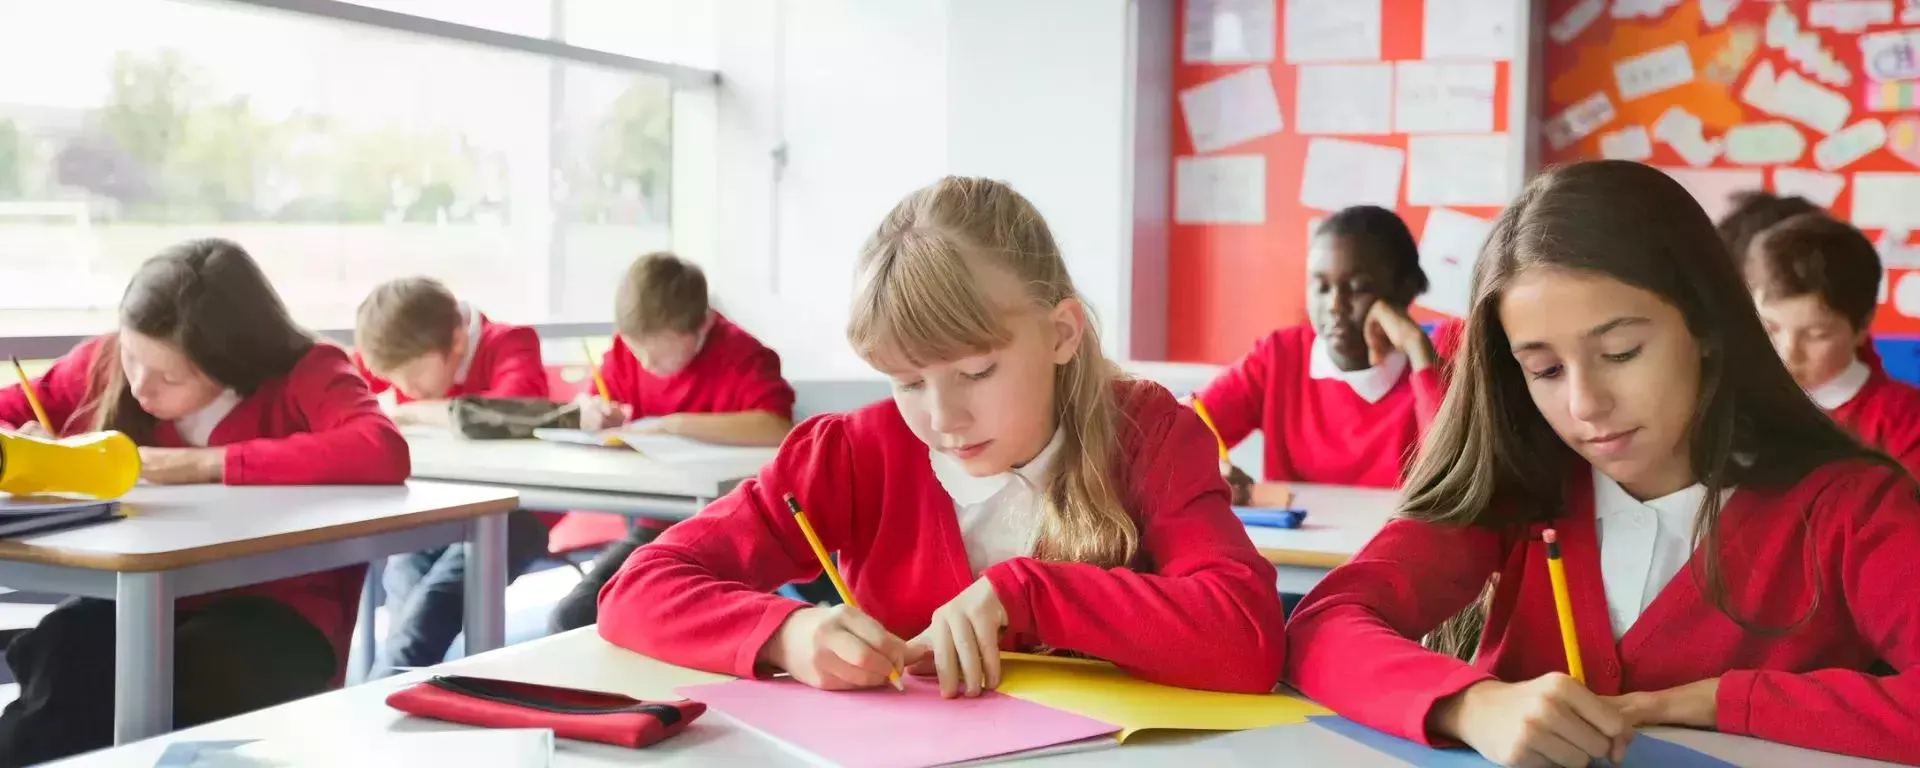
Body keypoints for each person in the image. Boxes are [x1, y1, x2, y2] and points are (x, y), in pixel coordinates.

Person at [1284, 160, 1920, 767]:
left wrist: (1716, 701)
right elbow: (1323, 627)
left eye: (1621, 352)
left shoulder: (1852, 507)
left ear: (1706, 325)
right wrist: (1470, 705)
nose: (1586, 405)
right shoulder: (1521, 484)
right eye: (1546, 369)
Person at [594, 177, 1288, 697]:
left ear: (1061, 334)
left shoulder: (1148, 435)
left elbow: (1249, 638)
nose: (942, 418)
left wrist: (1029, 594)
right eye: (906, 382)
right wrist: (785, 633)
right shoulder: (853, 453)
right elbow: (638, 587)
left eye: (976, 372)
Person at [0, 239, 410, 766]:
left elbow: (381, 449)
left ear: (231, 361)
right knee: (67, 651)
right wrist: (21, 446)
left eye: (171, 377)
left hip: (277, 613)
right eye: (132, 358)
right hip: (142, 599)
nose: (143, 387)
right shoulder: (109, 362)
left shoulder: (306, 372)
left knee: (177, 680)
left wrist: (206, 463)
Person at [547, 252, 797, 632]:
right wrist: (593, 411)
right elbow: (594, 405)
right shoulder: (627, 353)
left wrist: (673, 425)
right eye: (636, 350)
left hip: (729, 531)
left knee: (705, 625)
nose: (646, 363)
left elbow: (775, 427)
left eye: (660, 354)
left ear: (700, 328)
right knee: (572, 617)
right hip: (656, 528)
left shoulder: (743, 356)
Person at [352, 276, 554, 676]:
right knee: (404, 589)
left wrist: (409, 411)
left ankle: (376, 711)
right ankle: (400, 702)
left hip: (518, 511)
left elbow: (509, 412)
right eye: (395, 380)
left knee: (431, 609)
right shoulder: (402, 351)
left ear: (458, 341)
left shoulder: (512, 343)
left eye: (412, 376)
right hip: (438, 506)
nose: (405, 388)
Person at [1192, 206, 1450, 498]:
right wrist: (1211, 470)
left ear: (1405, 290)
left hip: (1400, 542)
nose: (1335, 306)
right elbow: (1179, 436)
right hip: (1294, 544)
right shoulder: (1279, 357)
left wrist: (1419, 351)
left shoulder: (1438, 366)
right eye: (1322, 287)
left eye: (1357, 288)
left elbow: (1450, 476)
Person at [1745, 212, 1920, 472]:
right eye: (1770, 329)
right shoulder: (1742, 402)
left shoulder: (1902, 418)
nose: (1788, 352)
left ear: (1862, 326)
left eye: (1817, 334)